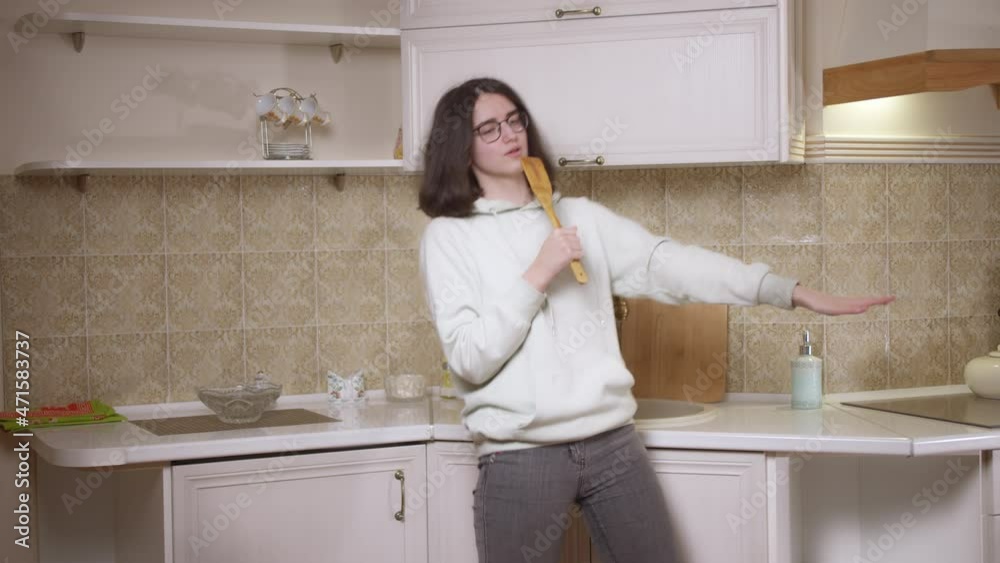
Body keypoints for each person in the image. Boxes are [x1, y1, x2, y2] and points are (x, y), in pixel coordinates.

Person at [417, 77, 894, 563]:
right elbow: (470, 358)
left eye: (514, 120)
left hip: (611, 444)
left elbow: (671, 264)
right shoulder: (449, 238)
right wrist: (538, 273)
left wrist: (786, 290)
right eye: (489, 128)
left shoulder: (581, 217)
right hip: (520, 455)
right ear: (461, 147)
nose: (510, 134)